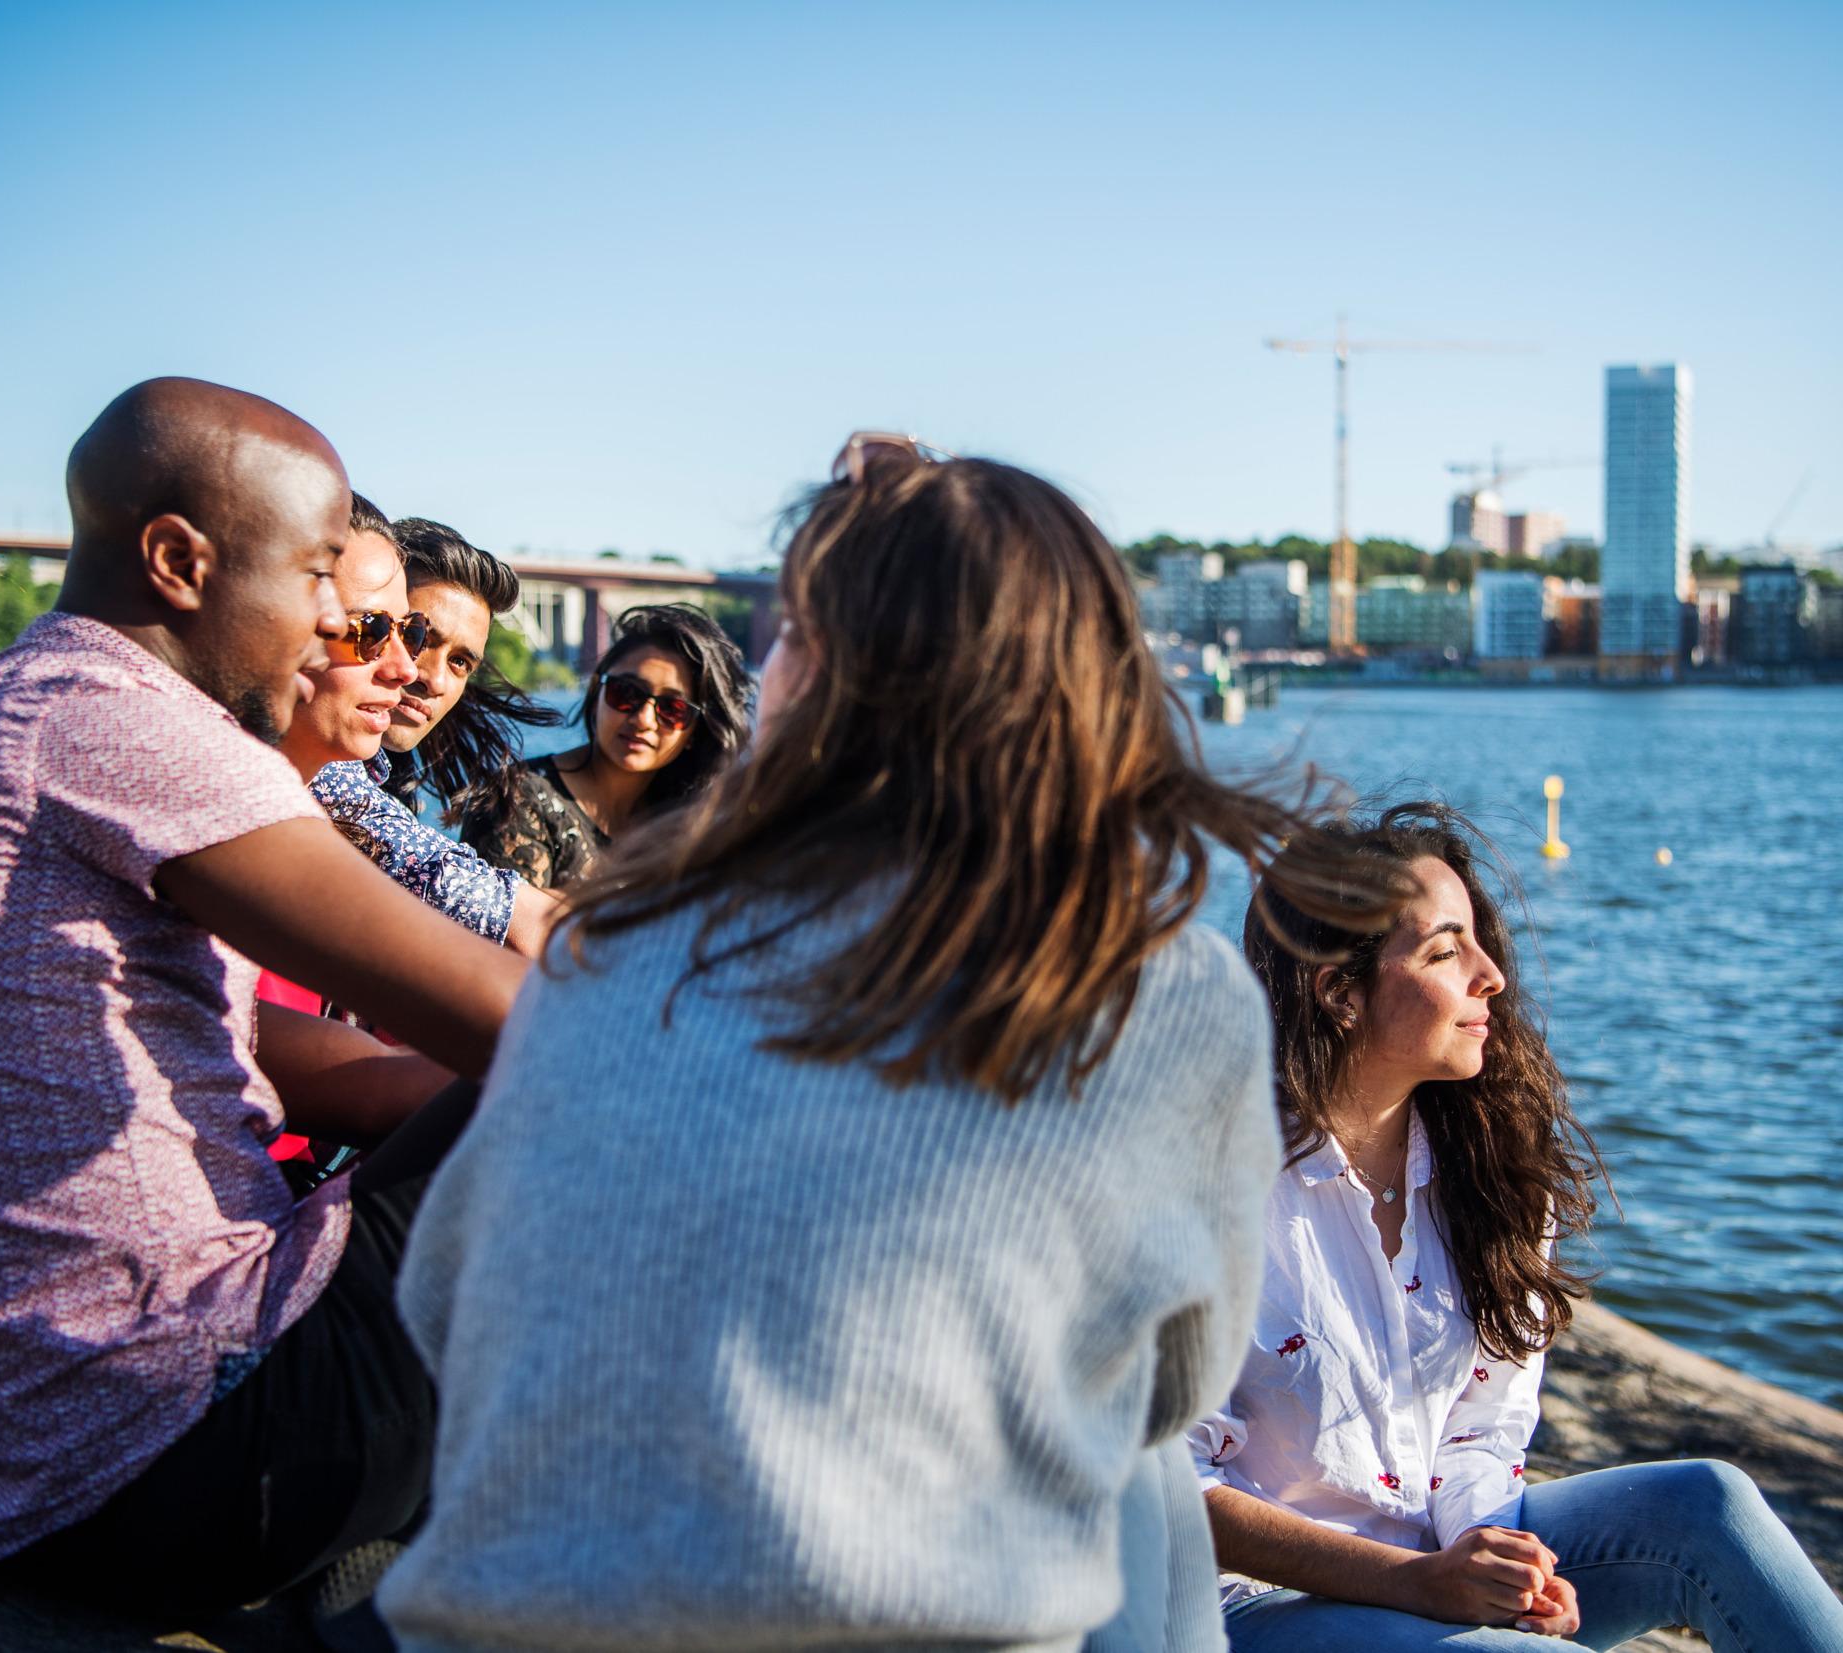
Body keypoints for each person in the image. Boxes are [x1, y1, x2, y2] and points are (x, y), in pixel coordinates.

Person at [377, 436, 1365, 1651]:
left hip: (491, 1629)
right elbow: (1177, 1380)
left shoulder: (620, 942)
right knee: (1138, 1473)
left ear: (803, 678)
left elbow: (447, 1299)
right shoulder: (1161, 994)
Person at [0, 378, 526, 1621]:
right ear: (180, 563)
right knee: (643, 1056)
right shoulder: (122, 720)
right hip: (189, 1446)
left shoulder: (14, 708)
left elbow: (267, 1052)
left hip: (22, 1468)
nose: (336, 633)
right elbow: (535, 1032)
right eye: (316, 585)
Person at [1202, 804, 1843, 1652]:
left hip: (1423, 1562)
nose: (1492, 976)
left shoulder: (1490, 1168)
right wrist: (1416, 1584)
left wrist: (1507, 1572)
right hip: (1239, 1609)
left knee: (1711, 1504)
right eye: (1447, 950)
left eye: (1480, 941)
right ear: (1340, 991)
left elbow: (1482, 1424)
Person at [280, 493, 559, 956]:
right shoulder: (307, 765)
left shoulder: (395, 773)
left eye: (461, 663)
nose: (422, 675)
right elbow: (430, 866)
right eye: (417, 635)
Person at [458, 601, 750, 890]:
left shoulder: (688, 823)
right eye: (627, 693)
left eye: (672, 709)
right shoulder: (514, 798)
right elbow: (499, 931)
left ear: (695, 731)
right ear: (597, 689)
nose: (643, 719)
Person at [375, 514, 561, 818]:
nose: (435, 680)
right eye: (414, 636)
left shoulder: (390, 786)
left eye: (459, 662)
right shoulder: (291, 782)